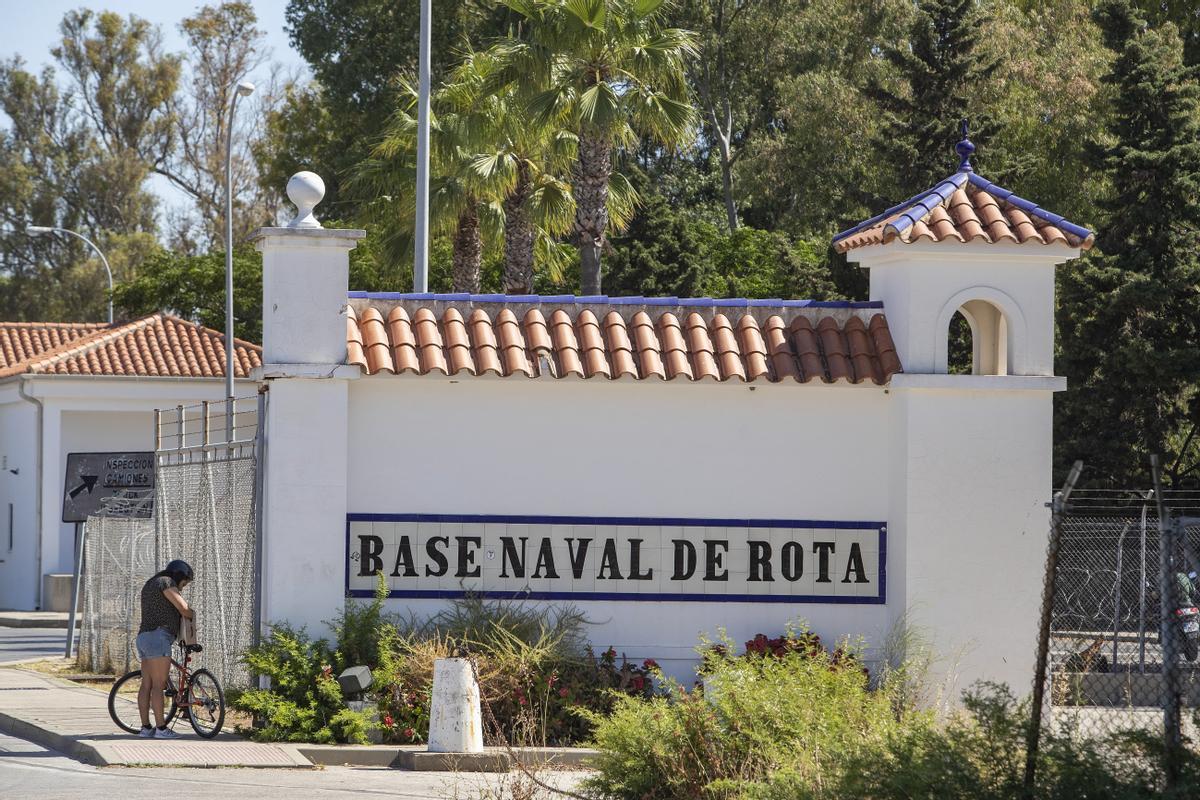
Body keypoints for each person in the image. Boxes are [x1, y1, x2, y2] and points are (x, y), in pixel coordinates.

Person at [134, 559, 194, 738]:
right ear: (179, 576)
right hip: (158, 637)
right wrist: (193, 615)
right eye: (183, 583)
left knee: (147, 685)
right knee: (159, 685)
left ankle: (146, 728)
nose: (182, 588)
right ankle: (161, 728)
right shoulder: (166, 582)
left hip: (144, 637)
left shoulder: (150, 584)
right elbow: (184, 609)